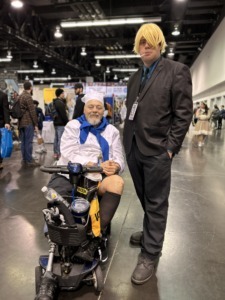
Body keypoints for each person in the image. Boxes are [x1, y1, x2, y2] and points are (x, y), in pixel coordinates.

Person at [123, 23, 193, 285]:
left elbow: (184, 113)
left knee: (156, 202)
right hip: (133, 148)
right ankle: (151, 231)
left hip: (158, 152)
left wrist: (170, 148)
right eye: (141, 42)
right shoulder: (133, 78)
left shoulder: (176, 71)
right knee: (145, 197)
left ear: (160, 44)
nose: (145, 47)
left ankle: (150, 253)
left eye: (150, 42)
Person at [47, 90, 124, 261]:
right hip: (70, 174)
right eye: (91, 107)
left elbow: (119, 157)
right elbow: (67, 151)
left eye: (99, 107)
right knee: (56, 195)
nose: (95, 110)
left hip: (98, 178)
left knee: (117, 183)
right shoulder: (73, 126)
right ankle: (64, 235)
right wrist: (93, 164)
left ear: (104, 110)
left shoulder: (112, 131)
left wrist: (116, 166)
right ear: (84, 109)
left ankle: (94, 238)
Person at [18, 81, 40, 167]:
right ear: (30, 87)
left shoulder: (20, 96)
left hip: (21, 122)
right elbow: (32, 111)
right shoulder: (28, 96)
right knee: (28, 142)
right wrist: (36, 124)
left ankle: (24, 159)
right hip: (28, 122)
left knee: (23, 142)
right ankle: (29, 160)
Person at [52, 88, 69, 160]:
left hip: (56, 123)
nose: (64, 94)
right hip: (61, 123)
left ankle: (55, 153)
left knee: (56, 139)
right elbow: (63, 114)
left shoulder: (55, 102)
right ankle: (59, 154)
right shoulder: (60, 102)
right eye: (62, 93)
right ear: (60, 94)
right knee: (60, 139)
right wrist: (67, 121)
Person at [0, 81, 11, 170]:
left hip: (0, 124)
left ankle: (0, 162)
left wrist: (7, 122)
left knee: (1, 143)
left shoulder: (3, 95)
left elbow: (5, 110)